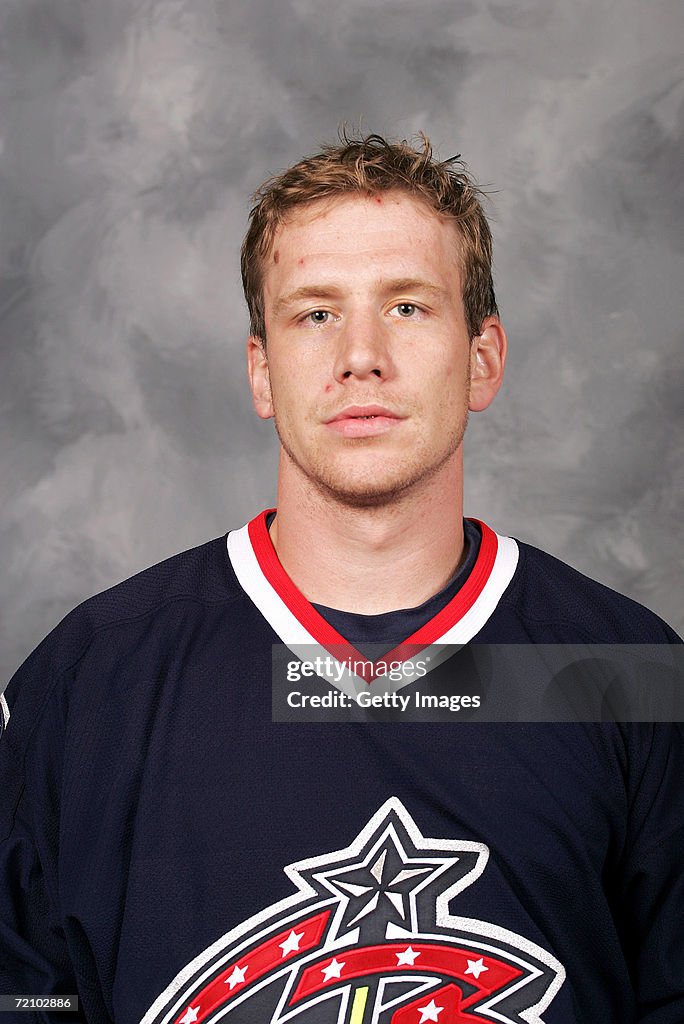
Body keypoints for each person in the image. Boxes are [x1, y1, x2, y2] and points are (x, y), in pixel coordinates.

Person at [0, 132, 682, 1024]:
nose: (362, 355)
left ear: (483, 358)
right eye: (316, 313)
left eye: (407, 307)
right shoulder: (90, 681)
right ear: (261, 371)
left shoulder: (623, 675)